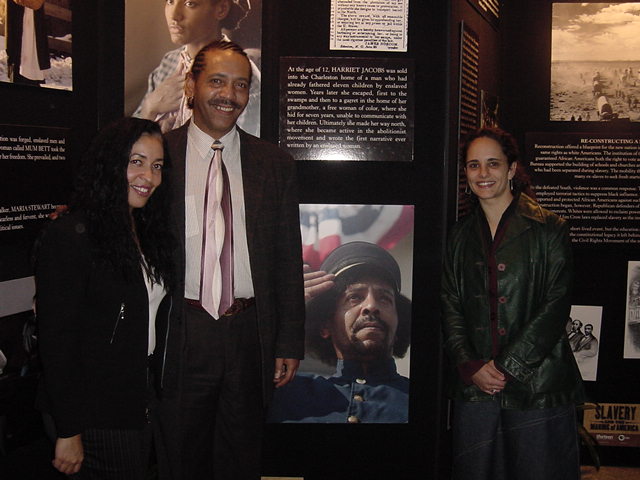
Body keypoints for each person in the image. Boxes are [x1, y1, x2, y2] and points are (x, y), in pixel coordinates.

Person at [160, 40, 304, 479]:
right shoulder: (159, 156)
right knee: (181, 457)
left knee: (242, 458)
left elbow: (286, 257)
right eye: (217, 81)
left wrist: (287, 342)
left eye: (240, 85)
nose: (229, 95)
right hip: (182, 331)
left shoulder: (273, 163)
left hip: (249, 334)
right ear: (191, 84)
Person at [34, 118, 175, 478]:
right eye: (136, 162)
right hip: (92, 413)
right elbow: (56, 341)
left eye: (157, 166)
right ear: (110, 164)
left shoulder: (144, 231)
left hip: (135, 400)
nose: (149, 177)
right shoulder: (71, 235)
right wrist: (68, 431)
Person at [441, 127, 584, 480]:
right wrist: (470, 364)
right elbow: (450, 303)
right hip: (475, 386)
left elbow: (555, 305)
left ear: (511, 169)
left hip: (538, 385)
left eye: (493, 164)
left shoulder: (550, 229)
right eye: (474, 165)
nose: (483, 174)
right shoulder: (459, 235)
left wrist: (508, 367)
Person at [269, 241, 411, 423]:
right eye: (355, 297)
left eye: (384, 298)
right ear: (325, 326)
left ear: (399, 325)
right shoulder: (284, 395)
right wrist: (280, 312)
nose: (371, 306)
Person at [133, 0, 260, 136]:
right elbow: (126, 143)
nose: (174, 16)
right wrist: (150, 107)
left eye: (190, 4)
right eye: (170, 1)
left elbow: (245, 150)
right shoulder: (168, 63)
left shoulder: (245, 78)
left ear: (221, 10)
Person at [5, 0, 51, 86]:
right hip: (18, 15)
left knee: (32, 48)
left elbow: (35, 5)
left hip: (32, 17)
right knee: (17, 53)